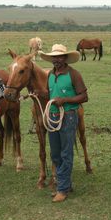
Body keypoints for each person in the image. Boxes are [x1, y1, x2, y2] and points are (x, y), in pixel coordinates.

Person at [39, 44, 88, 202]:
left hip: (68, 116)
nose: (56, 60)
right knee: (55, 153)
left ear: (65, 58)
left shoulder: (74, 75)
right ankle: (65, 183)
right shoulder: (51, 75)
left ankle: (62, 189)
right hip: (52, 117)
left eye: (59, 57)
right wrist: (40, 93)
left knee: (66, 152)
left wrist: (65, 100)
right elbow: (51, 93)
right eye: (54, 57)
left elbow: (84, 97)